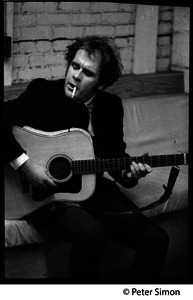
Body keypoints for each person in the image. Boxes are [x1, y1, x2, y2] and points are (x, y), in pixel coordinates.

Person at [4, 35, 169, 283]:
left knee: (156, 239)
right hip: (43, 194)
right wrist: (24, 165)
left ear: (100, 83)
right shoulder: (42, 92)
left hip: (91, 187)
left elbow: (115, 156)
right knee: (91, 233)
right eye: (75, 66)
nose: (77, 75)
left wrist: (128, 174)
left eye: (88, 73)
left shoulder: (111, 106)